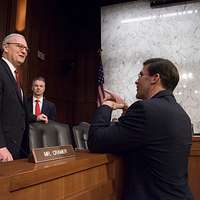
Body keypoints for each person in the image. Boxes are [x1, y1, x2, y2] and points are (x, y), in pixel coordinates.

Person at [88, 58, 193, 200]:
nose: (136, 81)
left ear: (155, 78)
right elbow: (143, 135)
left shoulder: (144, 109)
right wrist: (126, 110)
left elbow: (96, 140)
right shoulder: (182, 114)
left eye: (140, 75)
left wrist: (107, 105)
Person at [0, 33, 29, 161]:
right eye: (19, 46)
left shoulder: (15, 75)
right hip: (3, 149)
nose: (24, 51)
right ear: (5, 47)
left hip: (16, 147)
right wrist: (0, 146)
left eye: (26, 49)